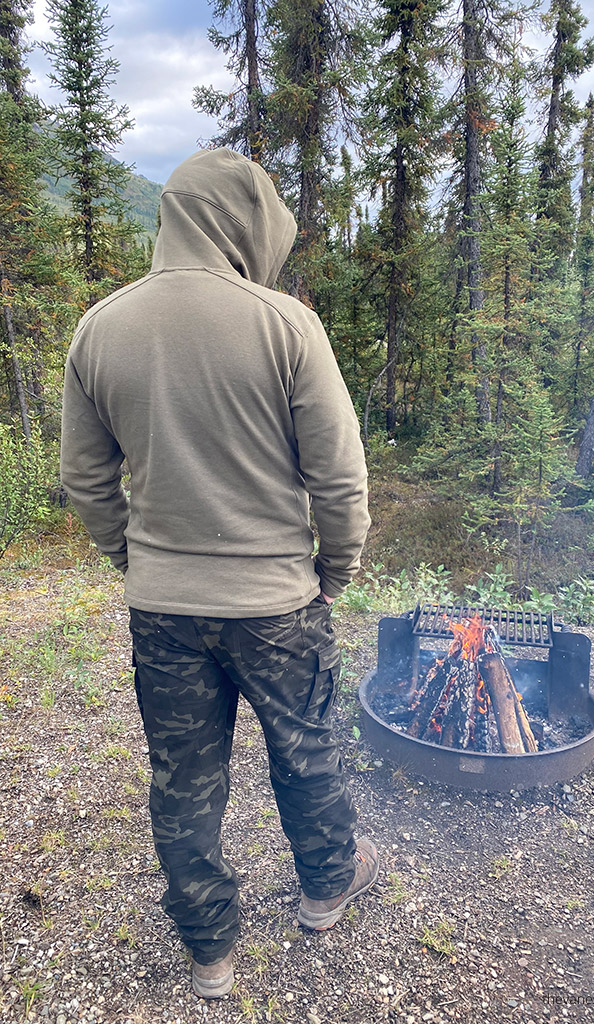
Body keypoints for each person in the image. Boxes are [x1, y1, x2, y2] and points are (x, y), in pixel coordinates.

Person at [60, 148, 379, 1000]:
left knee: (183, 778)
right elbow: (339, 479)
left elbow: (87, 480)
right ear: (243, 221)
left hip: (161, 608)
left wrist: (135, 560)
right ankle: (323, 893)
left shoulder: (101, 327)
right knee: (307, 752)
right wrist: (334, 576)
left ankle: (211, 954)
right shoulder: (285, 325)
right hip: (279, 602)